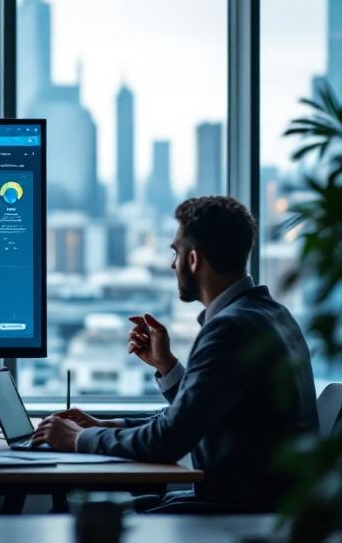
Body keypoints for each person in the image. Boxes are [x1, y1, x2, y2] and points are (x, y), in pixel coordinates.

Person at [31, 196, 317, 511]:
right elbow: (201, 413)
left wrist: (77, 439)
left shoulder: (230, 328)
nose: (172, 264)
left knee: (81, 517)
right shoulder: (271, 314)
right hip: (258, 504)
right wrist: (160, 371)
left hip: (238, 512)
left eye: (175, 251)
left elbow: (168, 441)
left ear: (193, 259)